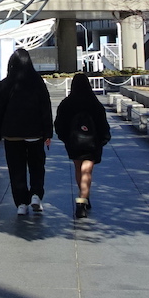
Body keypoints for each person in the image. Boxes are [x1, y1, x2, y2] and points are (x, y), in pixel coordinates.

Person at [0, 47, 53, 215]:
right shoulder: (37, 82)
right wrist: (48, 132)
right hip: (35, 132)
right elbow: (45, 108)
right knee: (37, 166)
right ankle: (36, 195)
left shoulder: (6, 83)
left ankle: (21, 203)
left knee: (16, 169)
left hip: (12, 134)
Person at [53, 73, 111, 219]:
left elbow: (59, 123)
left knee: (79, 168)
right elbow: (102, 123)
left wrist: (65, 138)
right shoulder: (94, 103)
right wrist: (103, 138)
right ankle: (82, 200)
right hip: (92, 143)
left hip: (74, 143)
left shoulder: (67, 103)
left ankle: (84, 196)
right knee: (87, 171)